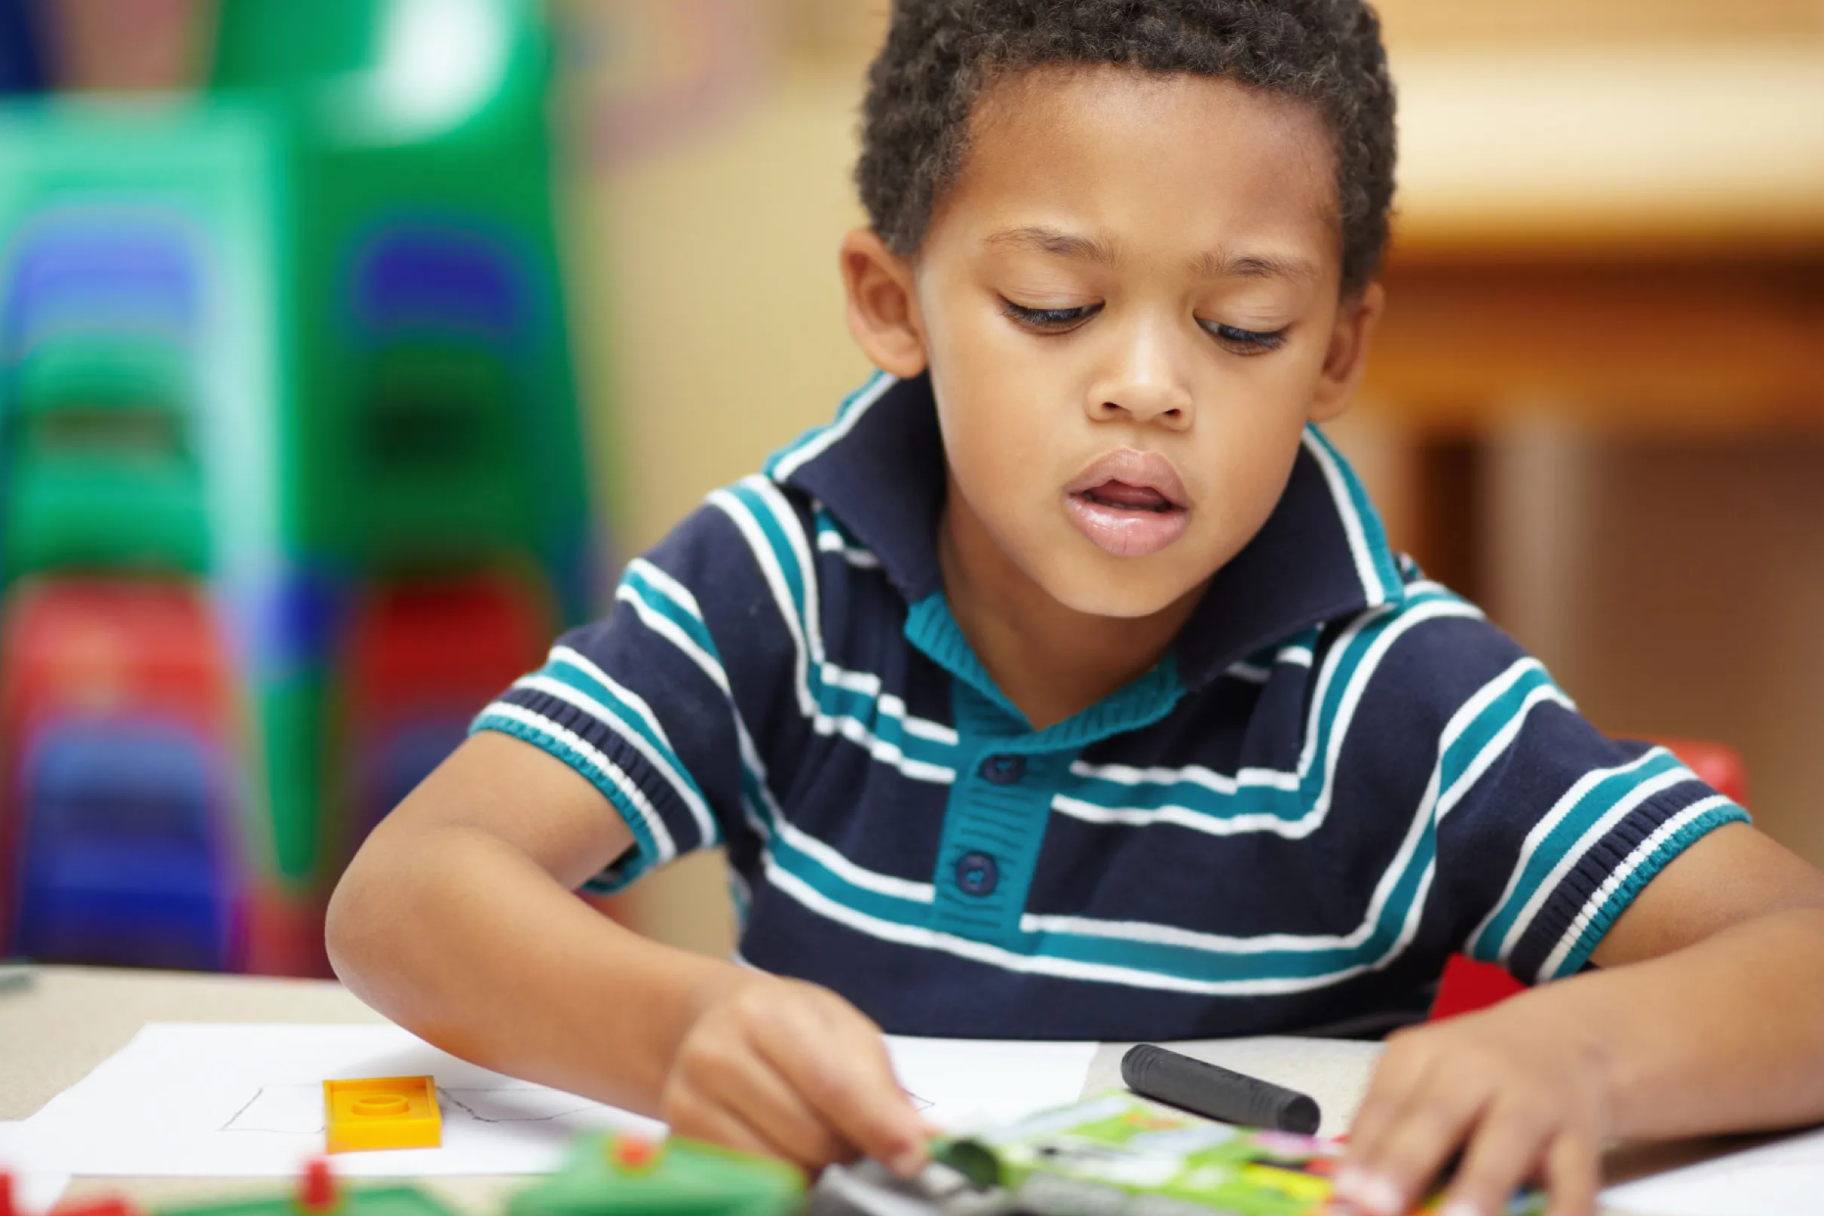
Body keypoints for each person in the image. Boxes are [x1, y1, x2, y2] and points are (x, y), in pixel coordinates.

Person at [326, 4, 1824, 1214]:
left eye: (1243, 327)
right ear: (892, 301)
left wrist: (1584, 1057)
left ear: (1337, 353)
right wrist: (680, 1033)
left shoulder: (1397, 695)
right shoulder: (778, 585)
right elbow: (404, 895)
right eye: (1054, 306)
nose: (1149, 386)